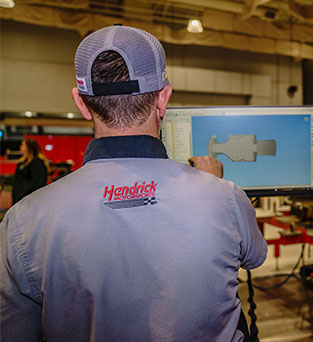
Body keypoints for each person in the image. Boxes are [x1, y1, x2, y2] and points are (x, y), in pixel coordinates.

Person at [0, 25, 267, 342]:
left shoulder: (25, 220)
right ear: (164, 98)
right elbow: (254, 257)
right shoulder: (223, 196)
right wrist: (211, 189)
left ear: (82, 103)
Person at [11, 138, 49, 205]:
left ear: (29, 147)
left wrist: (24, 194)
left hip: (30, 200)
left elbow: (38, 182)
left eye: (22, 145)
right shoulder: (23, 162)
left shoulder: (36, 163)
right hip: (20, 199)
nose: (20, 147)